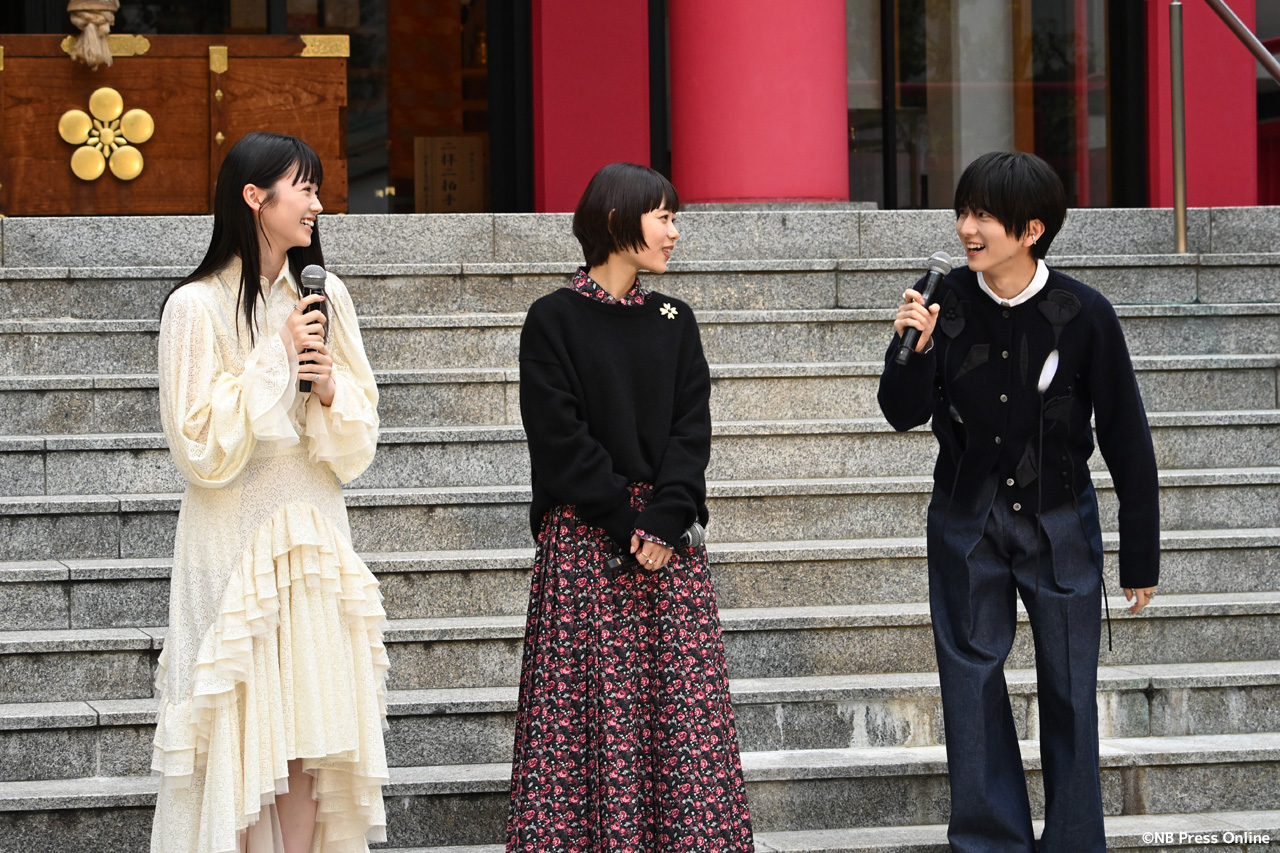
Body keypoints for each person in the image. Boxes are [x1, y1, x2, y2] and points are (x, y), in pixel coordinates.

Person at [877, 151, 1160, 853]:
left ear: (1032, 229)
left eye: (984, 216)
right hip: (966, 522)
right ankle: (989, 842)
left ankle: (1073, 842)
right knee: (970, 685)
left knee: (1070, 687)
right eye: (962, 212)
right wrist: (911, 347)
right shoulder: (941, 298)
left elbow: (1126, 435)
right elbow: (901, 412)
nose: (966, 229)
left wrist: (1141, 554)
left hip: (1060, 521)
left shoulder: (1085, 313)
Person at [506, 162, 754, 852]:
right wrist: (628, 521)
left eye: (674, 218)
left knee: (682, 724)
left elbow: (691, 430)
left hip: (667, 548)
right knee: (583, 725)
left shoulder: (675, 319)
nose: (674, 232)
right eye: (664, 217)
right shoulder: (553, 318)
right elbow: (558, 438)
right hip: (589, 543)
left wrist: (667, 518)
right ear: (618, 220)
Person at [152, 131, 387, 853]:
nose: (317, 203)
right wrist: (275, 355)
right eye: (304, 187)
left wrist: (328, 388)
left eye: (317, 188)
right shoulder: (194, 307)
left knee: (314, 734)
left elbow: (359, 435)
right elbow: (198, 446)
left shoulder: (325, 295)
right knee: (244, 728)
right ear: (255, 196)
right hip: (232, 536)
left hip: (313, 531)